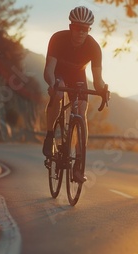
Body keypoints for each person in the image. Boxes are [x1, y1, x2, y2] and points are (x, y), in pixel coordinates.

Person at [42, 6, 106, 181]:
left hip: (78, 75)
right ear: (71, 27)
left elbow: (98, 79)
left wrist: (103, 90)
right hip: (58, 73)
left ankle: (78, 164)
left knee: (81, 109)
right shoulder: (58, 39)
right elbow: (49, 69)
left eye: (85, 29)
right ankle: (49, 136)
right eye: (77, 28)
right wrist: (53, 83)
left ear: (89, 30)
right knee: (59, 93)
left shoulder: (93, 46)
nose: (81, 32)